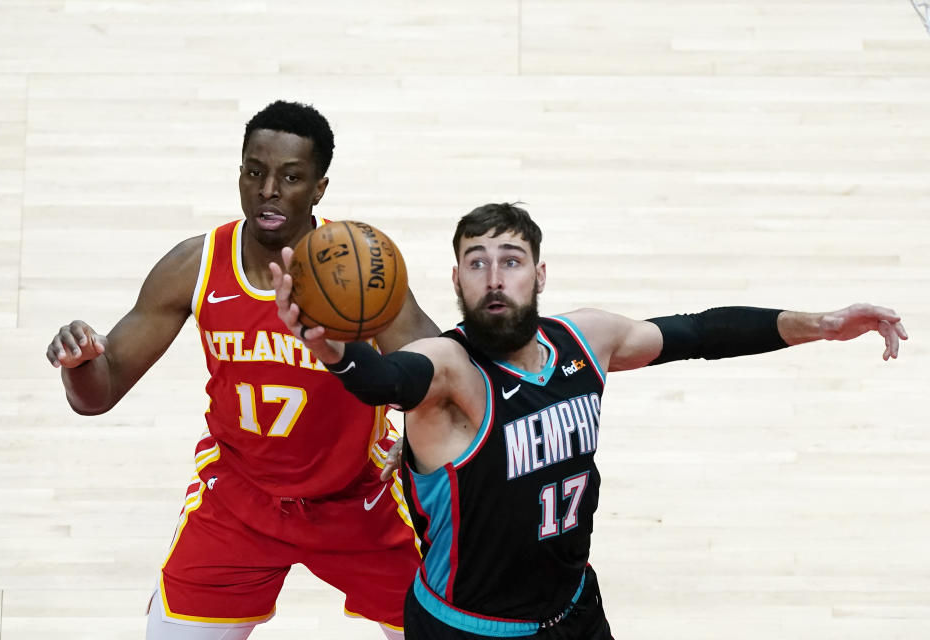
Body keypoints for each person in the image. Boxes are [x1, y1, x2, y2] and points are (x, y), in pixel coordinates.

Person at [270, 202, 908, 639]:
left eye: (511, 260)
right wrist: (333, 351)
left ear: (540, 273)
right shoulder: (448, 369)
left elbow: (700, 332)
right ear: (457, 281)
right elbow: (386, 380)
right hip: (468, 629)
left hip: (573, 611)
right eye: (477, 262)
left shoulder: (585, 340)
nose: (495, 278)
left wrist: (817, 326)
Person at [45, 100, 439, 640]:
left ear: (319, 188)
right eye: (255, 172)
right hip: (240, 501)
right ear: (240, 176)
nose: (268, 189)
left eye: (290, 177)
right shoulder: (196, 265)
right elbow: (98, 393)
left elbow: (441, 374)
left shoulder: (355, 270)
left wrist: (424, 434)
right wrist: (81, 363)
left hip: (359, 499)